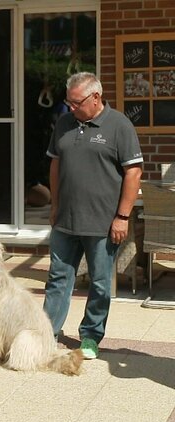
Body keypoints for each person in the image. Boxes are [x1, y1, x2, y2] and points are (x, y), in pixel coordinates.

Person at [42, 72, 143, 360]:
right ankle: (47, 333)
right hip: (65, 220)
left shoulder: (119, 125)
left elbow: (133, 172)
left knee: (99, 282)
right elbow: (55, 165)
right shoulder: (65, 123)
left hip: (102, 222)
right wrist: (54, 205)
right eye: (68, 102)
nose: (71, 108)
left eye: (76, 103)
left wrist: (122, 216)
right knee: (58, 278)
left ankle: (90, 336)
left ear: (96, 97)